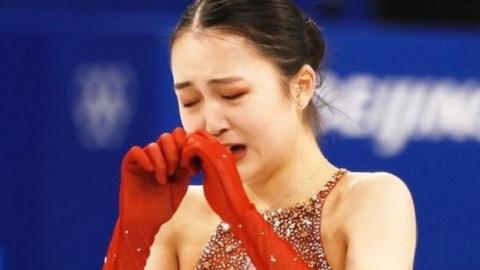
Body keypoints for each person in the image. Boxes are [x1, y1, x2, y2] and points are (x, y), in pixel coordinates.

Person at [103, 0, 417, 269]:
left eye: (232, 94)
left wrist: (242, 217)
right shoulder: (181, 217)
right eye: (190, 101)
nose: (210, 124)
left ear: (301, 86)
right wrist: (133, 234)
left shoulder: (367, 201)